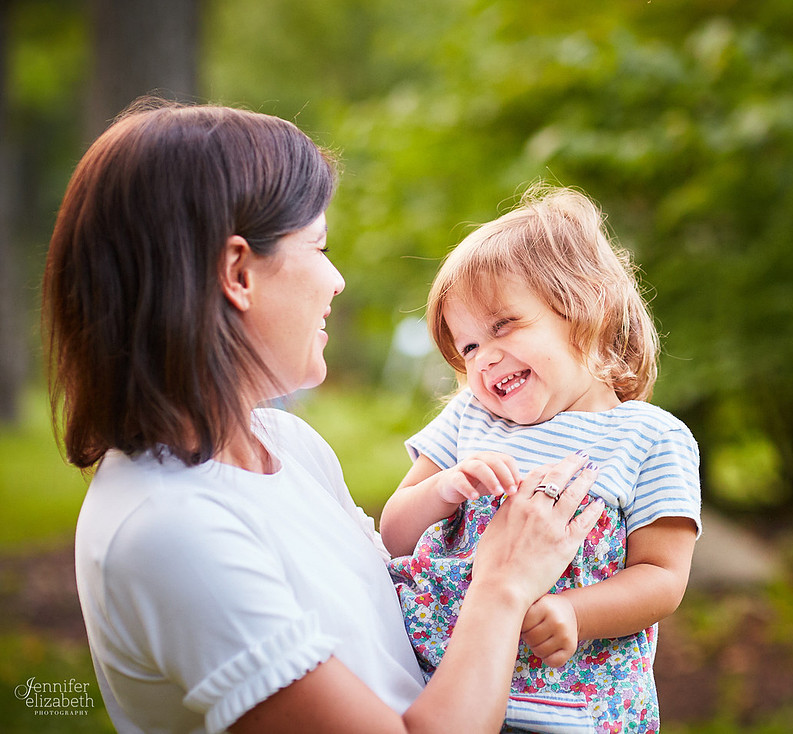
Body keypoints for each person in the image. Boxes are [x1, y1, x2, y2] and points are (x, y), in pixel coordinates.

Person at [42, 99, 604, 734]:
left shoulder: (286, 443)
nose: (336, 280)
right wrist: (503, 584)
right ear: (238, 273)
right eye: (319, 246)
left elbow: (388, 601)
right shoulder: (170, 531)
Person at [380, 186, 702, 733]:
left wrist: (578, 611)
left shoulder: (648, 436)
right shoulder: (469, 421)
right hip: (441, 683)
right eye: (468, 347)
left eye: (502, 326)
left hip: (572, 710)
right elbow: (392, 533)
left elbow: (662, 577)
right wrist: (444, 490)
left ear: (583, 307)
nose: (484, 359)